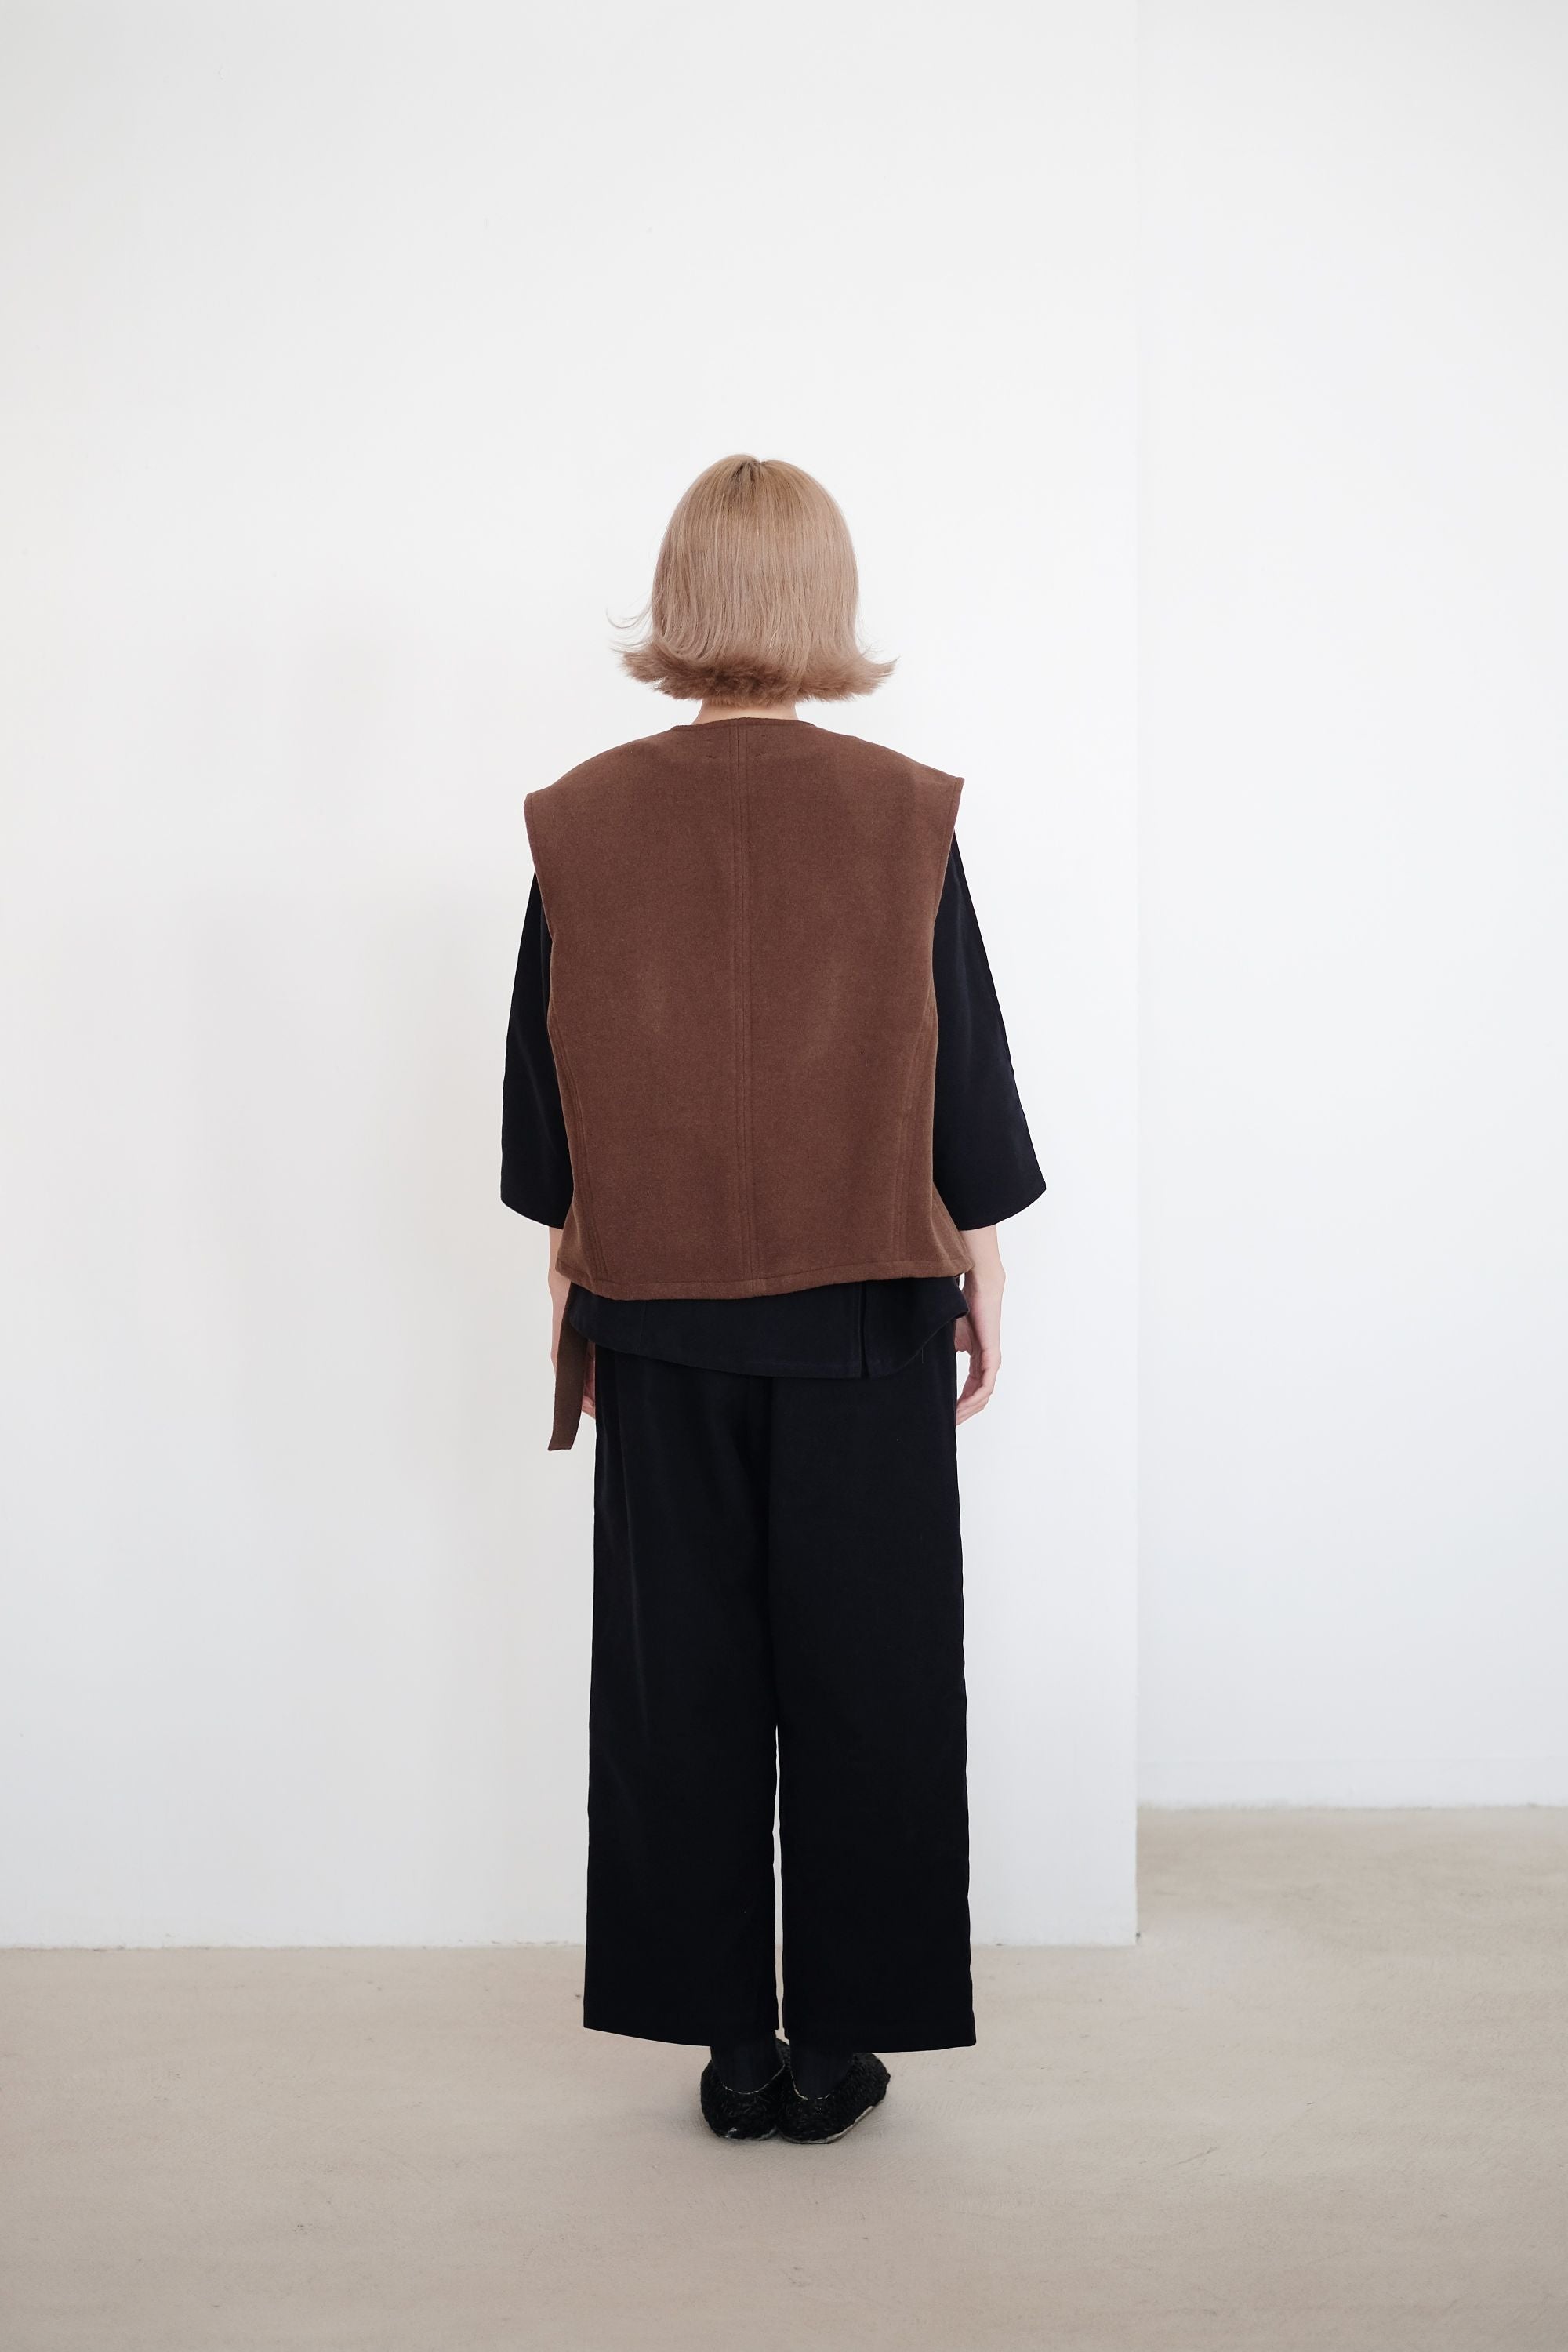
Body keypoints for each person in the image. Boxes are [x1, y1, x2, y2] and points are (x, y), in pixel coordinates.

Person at [501, 455, 1044, 2145]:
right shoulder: (903, 813)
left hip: (660, 1313)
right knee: (874, 1677)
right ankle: (843, 2039)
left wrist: (574, 1277)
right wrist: (982, 1260)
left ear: (679, 597)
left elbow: (547, 1099)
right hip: (866, 1311)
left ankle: (729, 2044)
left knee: (680, 1686)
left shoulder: (579, 819)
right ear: (826, 600)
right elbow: (958, 1064)